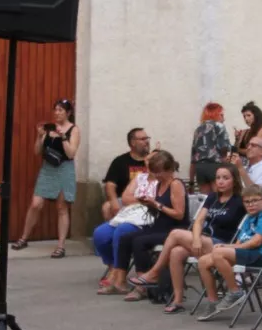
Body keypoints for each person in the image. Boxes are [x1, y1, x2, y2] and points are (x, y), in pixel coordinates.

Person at [129, 164, 244, 313]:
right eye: (218, 178)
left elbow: (260, 203)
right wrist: (196, 239)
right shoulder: (212, 197)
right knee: (176, 252)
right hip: (203, 239)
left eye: (225, 178)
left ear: (234, 181)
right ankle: (177, 300)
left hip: (222, 245)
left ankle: (154, 273)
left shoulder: (239, 201)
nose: (220, 182)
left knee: (176, 233)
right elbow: (199, 221)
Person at [97, 151, 187, 296]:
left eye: (159, 172)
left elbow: (179, 214)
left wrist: (156, 204)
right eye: (154, 172)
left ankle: (142, 285)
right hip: (158, 225)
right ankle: (119, 281)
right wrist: (148, 204)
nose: (156, 175)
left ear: (169, 170)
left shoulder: (176, 184)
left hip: (173, 229)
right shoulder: (160, 184)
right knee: (125, 238)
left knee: (140, 241)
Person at [197, 185, 262, 318]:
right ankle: (212, 301)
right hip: (247, 253)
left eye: (255, 200)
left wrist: (228, 248)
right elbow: (240, 241)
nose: (251, 204)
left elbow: (256, 242)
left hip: (260, 256)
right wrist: (230, 247)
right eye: (247, 202)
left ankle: (235, 291)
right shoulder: (248, 218)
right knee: (203, 261)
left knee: (219, 252)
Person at [13, 98, 79, 257]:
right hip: (48, 169)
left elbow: (71, 153)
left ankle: (61, 246)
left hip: (64, 169)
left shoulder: (73, 130)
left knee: (61, 207)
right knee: (36, 204)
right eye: (55, 110)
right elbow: (37, 151)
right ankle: (24, 238)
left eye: (61, 110)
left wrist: (63, 137)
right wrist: (40, 136)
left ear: (68, 113)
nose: (57, 113)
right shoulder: (49, 129)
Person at [100, 127, 151, 221]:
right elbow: (110, 185)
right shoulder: (120, 161)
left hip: (148, 200)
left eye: (147, 138)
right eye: (143, 139)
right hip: (125, 200)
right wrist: (114, 201)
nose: (147, 141)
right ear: (133, 143)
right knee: (107, 207)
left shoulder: (154, 161)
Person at [189, 103, 233, 191]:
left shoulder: (198, 129)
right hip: (215, 166)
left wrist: (191, 182)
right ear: (214, 114)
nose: (223, 118)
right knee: (218, 198)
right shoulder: (219, 126)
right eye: (221, 115)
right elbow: (224, 148)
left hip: (200, 168)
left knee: (206, 199)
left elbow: (193, 157)